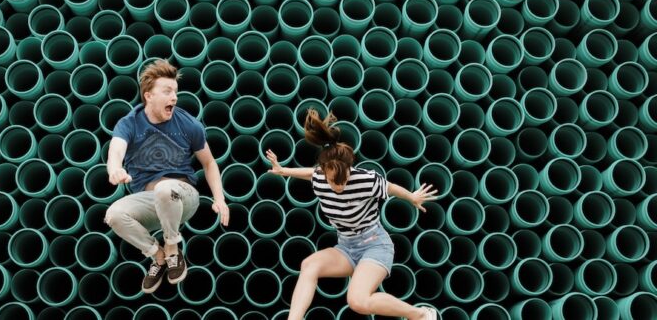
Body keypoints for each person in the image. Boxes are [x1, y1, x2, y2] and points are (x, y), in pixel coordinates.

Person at [266, 109, 438, 320]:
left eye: (344, 180)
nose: (339, 186)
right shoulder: (319, 177)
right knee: (309, 265)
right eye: (333, 181)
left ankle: (421, 314)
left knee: (357, 301)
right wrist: (283, 171)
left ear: (350, 169)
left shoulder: (366, 179)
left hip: (375, 244)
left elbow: (391, 188)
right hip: (346, 246)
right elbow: (310, 173)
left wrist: (412, 197)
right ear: (324, 171)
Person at [104, 59, 229, 293]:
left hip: (183, 197)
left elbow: (209, 162)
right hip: (150, 201)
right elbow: (116, 150)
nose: (174, 97)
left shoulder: (189, 124)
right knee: (114, 215)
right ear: (148, 95)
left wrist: (219, 199)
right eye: (167, 91)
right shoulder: (128, 123)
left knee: (165, 189)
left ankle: (172, 247)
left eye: (176, 92)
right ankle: (158, 256)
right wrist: (115, 169)